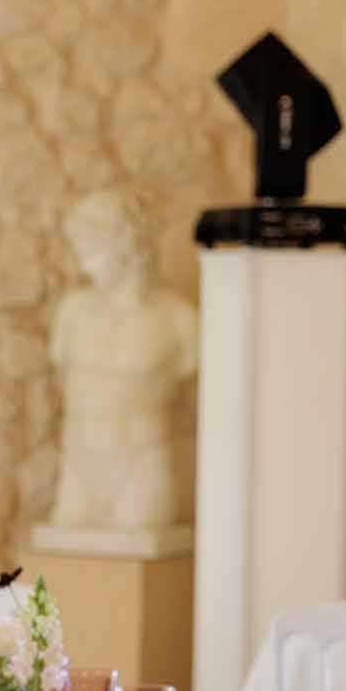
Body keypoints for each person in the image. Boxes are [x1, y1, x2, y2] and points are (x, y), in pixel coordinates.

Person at [48, 190, 197, 533]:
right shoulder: (73, 312)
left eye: (93, 249)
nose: (83, 263)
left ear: (130, 246)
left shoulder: (179, 320)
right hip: (79, 464)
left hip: (141, 464)